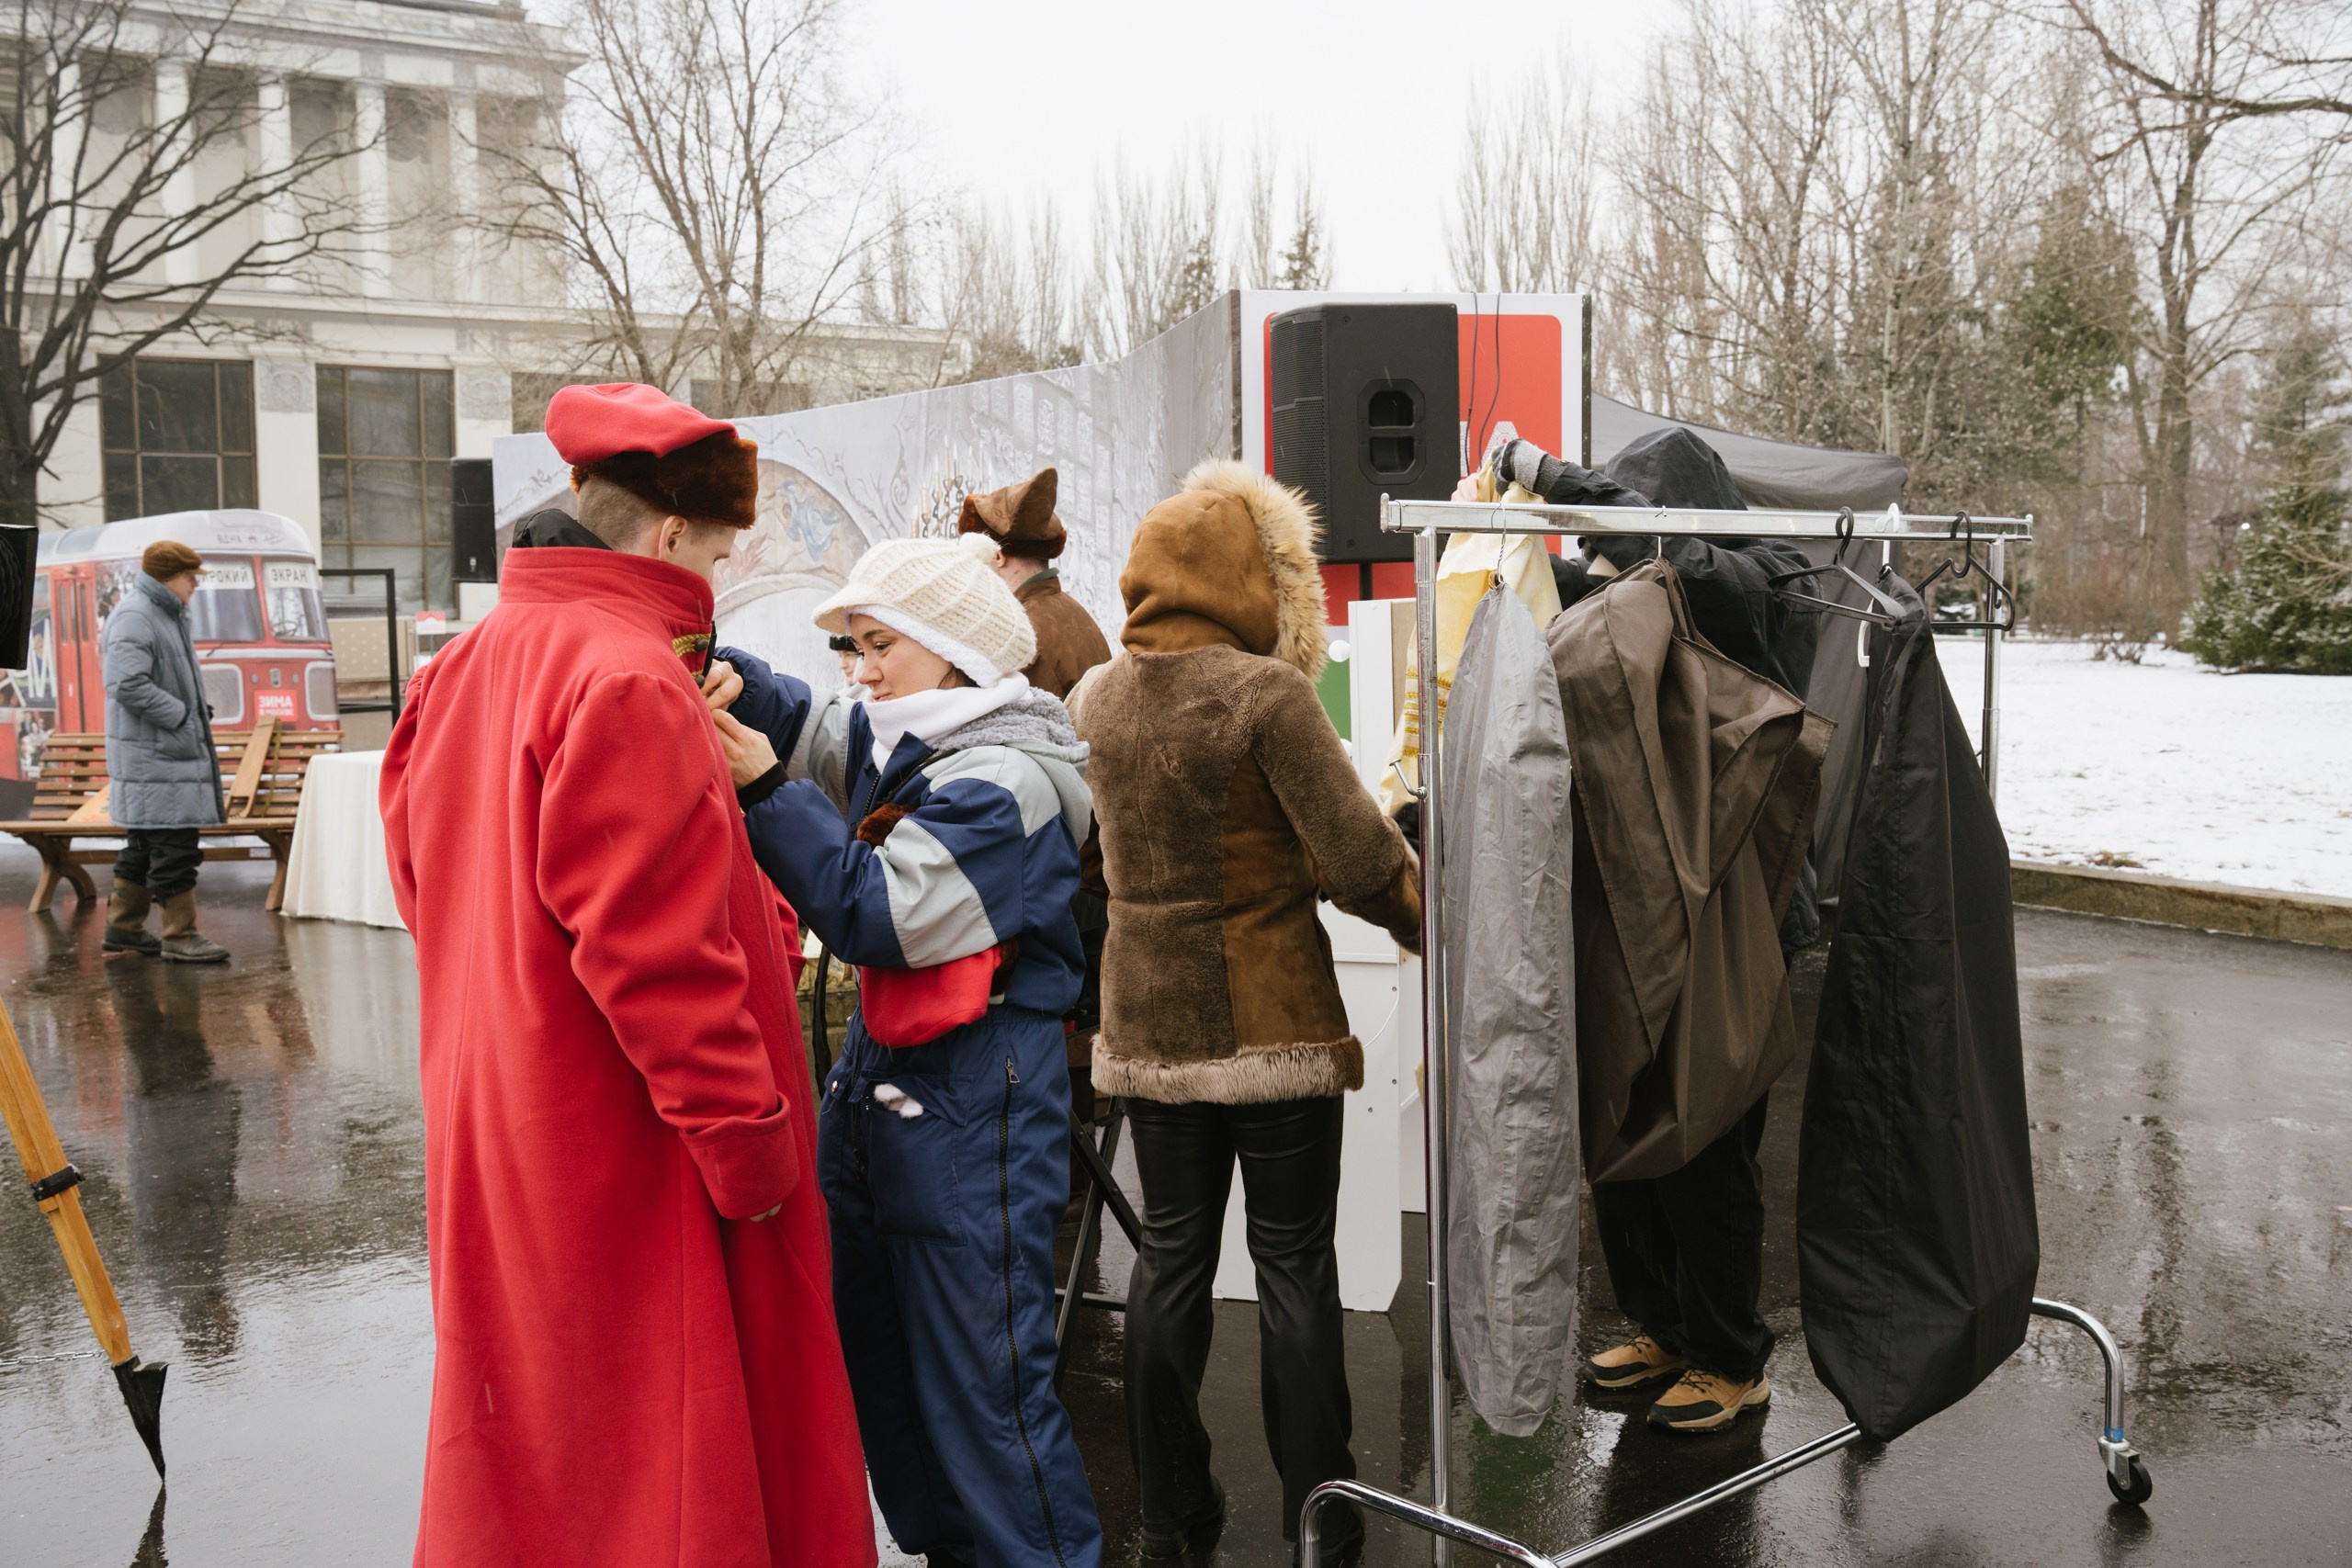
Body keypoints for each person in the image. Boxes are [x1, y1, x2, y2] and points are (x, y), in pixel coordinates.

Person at [379, 383, 872, 1568]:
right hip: (634, 1141)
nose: (712, 577)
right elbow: (658, 956)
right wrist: (749, 1144)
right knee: (664, 1454)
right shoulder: (631, 677)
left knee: (537, 1438)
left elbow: (419, 875)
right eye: (711, 551)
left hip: (505, 1109)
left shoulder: (468, 661)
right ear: (665, 535)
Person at [707, 530, 1103, 1568]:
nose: (863, 669)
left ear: (954, 651)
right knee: (888, 1378)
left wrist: (762, 796)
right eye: (855, 645)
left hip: (980, 1098)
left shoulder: (1008, 776)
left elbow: (879, 916)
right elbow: (809, 721)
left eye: (882, 644)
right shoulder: (915, 732)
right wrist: (724, 670)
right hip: (896, 1089)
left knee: (987, 1396)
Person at [1071, 459, 1422, 1567]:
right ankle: (1323, 1524)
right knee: (1293, 1272)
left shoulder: (1097, 698)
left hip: (1150, 1030)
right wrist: (1431, 926)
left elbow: (1090, 867)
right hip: (1271, 1031)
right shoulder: (1265, 695)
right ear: (1251, 579)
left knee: (1168, 1266)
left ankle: (1170, 1521)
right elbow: (1360, 858)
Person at [1479, 428, 1820, 1434]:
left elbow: (1691, 567)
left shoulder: (1760, 580)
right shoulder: (1626, 584)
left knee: (1706, 1141)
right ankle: (1662, 1326)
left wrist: (1546, 477)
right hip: (1633, 900)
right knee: (1624, 1121)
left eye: (1625, 519)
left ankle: (1729, 1355)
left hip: (1736, 914)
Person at [956, 467, 1117, 1138]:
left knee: (1058, 1052)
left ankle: (1066, 1218)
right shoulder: (1070, 617)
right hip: (1088, 868)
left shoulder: (1023, 634)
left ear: (998, 558)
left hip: (1063, 874)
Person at [101, 540, 230, 964]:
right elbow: (125, 684)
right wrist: (181, 715)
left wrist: (192, 711)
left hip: (158, 757)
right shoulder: (139, 616)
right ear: (166, 577)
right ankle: (179, 934)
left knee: (143, 845)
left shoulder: (160, 613)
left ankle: (124, 926)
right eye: (189, 576)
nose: (195, 584)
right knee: (176, 847)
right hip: (158, 758)